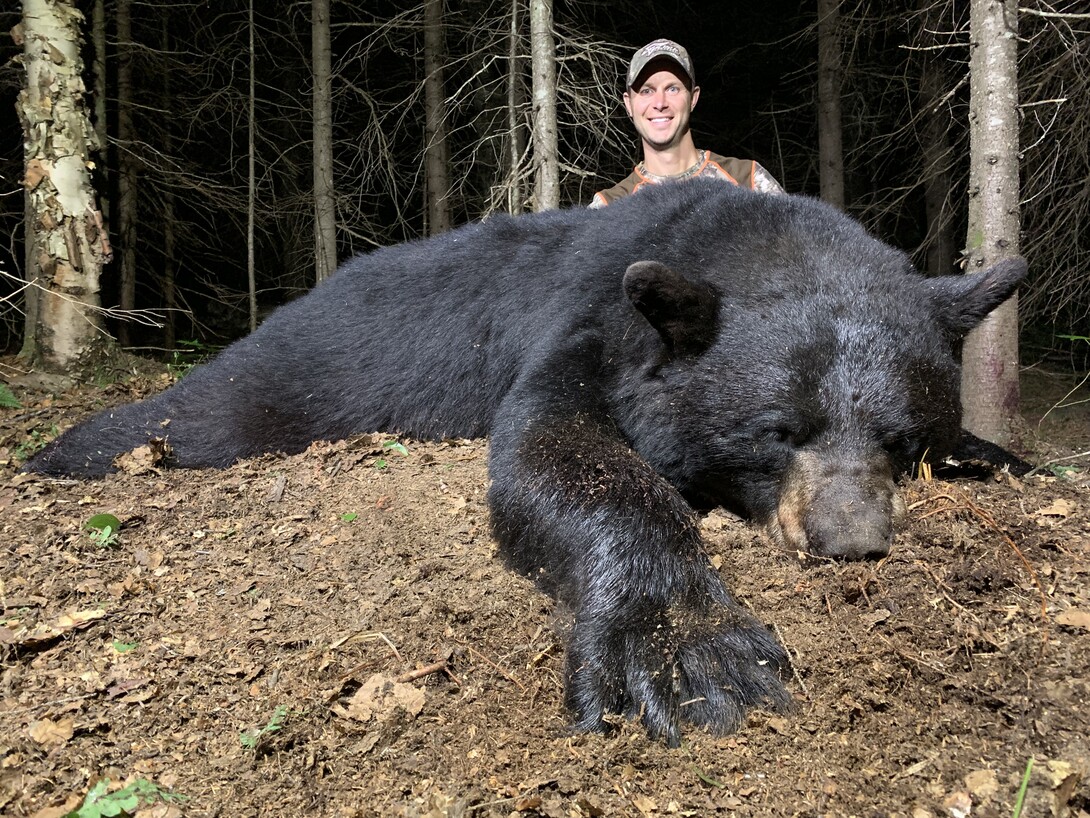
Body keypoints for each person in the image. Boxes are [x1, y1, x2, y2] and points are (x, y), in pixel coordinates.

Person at [589, 39, 783, 208]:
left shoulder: (748, 181)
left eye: (672, 89)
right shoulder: (609, 207)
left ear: (693, 98)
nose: (660, 103)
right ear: (628, 104)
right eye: (646, 91)